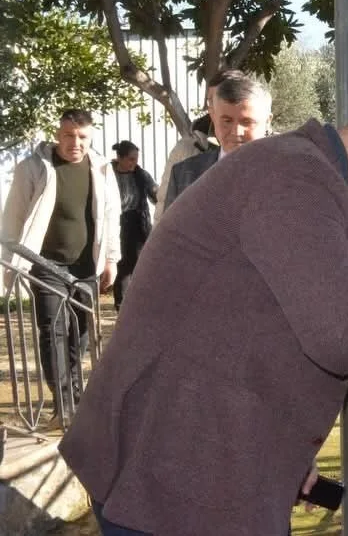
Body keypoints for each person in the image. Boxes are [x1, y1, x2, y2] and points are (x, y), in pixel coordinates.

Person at [59, 95, 348, 536]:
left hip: (187, 467)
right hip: (170, 480)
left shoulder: (298, 172)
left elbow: (258, 328)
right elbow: (340, 336)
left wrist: (286, 449)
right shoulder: (297, 177)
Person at [0, 109, 122, 425]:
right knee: (53, 331)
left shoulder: (102, 169)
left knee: (80, 334)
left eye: (82, 137)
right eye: (69, 135)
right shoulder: (34, 168)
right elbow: (12, 219)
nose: (75, 143)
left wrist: (111, 259)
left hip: (86, 266)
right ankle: (62, 401)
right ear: (58, 134)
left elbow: (111, 217)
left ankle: (76, 394)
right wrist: (13, 260)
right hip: (45, 264)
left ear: (91, 137)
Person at [156, 70, 272, 216]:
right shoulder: (184, 173)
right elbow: (169, 236)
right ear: (213, 116)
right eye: (227, 121)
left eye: (247, 122)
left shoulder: (289, 174)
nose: (236, 131)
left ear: (267, 122)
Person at [110, 141, 158, 312]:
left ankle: (139, 301)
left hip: (137, 222)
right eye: (130, 159)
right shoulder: (109, 174)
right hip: (116, 221)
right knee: (121, 263)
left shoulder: (141, 174)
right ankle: (121, 304)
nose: (134, 163)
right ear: (120, 158)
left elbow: (156, 195)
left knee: (139, 262)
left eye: (136, 159)